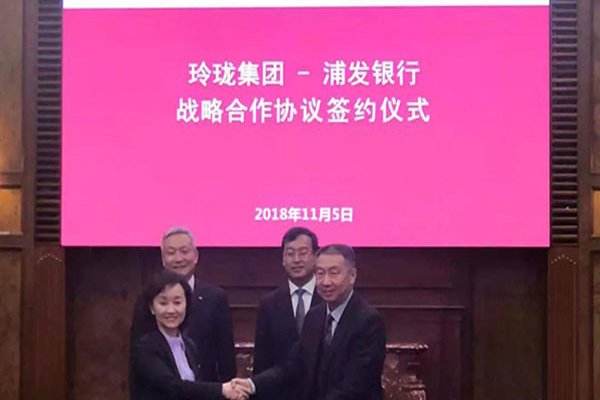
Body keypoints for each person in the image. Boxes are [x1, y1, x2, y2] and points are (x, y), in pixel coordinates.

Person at [236, 244, 386, 400]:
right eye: (320, 273)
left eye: (334, 273)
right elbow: (292, 366)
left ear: (352, 276)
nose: (326, 281)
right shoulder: (314, 316)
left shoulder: (368, 321)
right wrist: (251, 385)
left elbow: (355, 386)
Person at [130, 227, 236, 383]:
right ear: (163, 259)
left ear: (195, 256)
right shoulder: (148, 298)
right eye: (171, 252)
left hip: (209, 389)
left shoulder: (216, 298)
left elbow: (225, 356)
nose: (178, 259)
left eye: (184, 251)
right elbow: (136, 360)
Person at [130, 271, 244, 400]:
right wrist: (221, 389)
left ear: (186, 305)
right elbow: (172, 386)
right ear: (152, 308)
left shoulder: (189, 345)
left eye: (177, 302)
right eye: (163, 303)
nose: (171, 310)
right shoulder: (144, 348)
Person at [253, 227, 323, 400]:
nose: (296, 260)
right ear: (283, 259)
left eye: (303, 253)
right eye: (290, 253)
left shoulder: (328, 298)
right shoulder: (269, 304)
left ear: (316, 256)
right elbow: (262, 363)